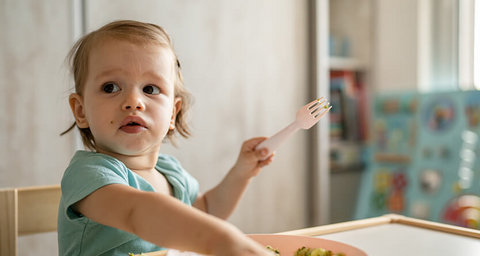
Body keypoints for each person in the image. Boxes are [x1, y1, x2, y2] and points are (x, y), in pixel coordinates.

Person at [58, 20, 275, 256]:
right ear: (81, 111)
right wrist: (223, 239)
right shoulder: (87, 175)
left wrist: (241, 173)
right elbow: (137, 213)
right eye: (110, 87)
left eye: (150, 89)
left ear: (172, 113)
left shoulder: (171, 173)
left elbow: (207, 212)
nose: (134, 101)